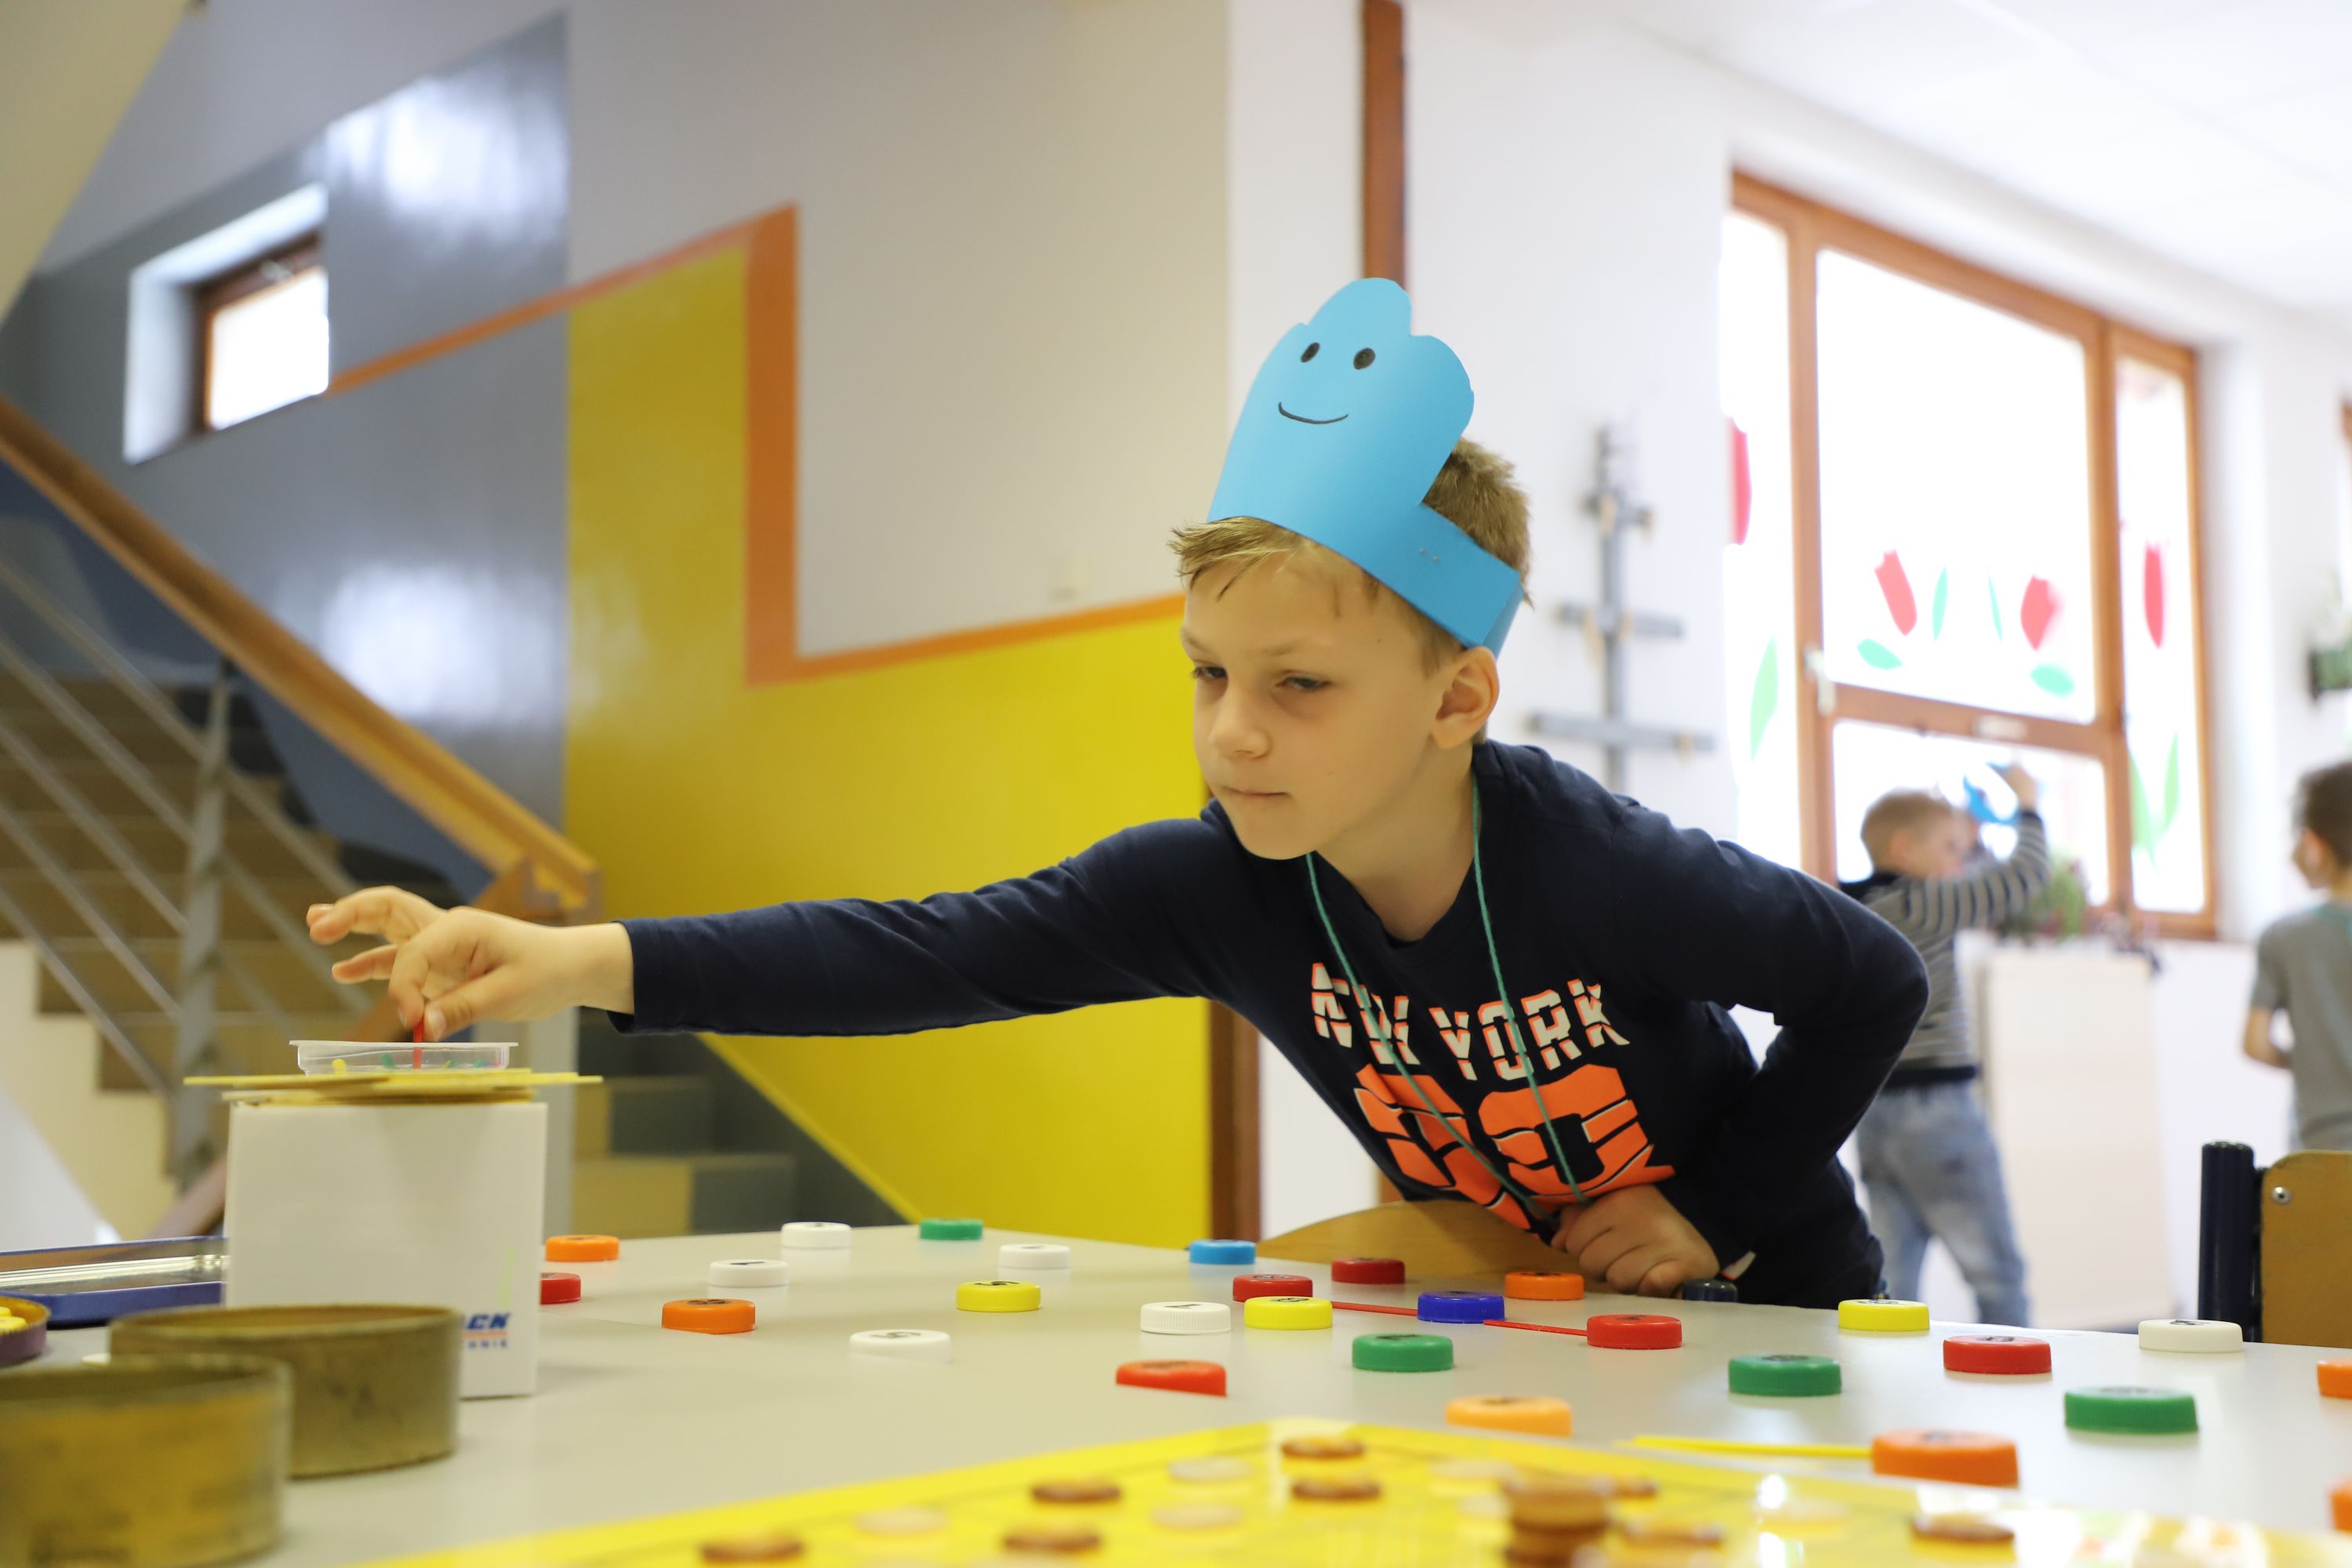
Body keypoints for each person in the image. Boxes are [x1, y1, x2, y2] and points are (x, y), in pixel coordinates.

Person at [306, 279, 1926, 1307]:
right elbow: (926, 950)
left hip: (1783, 1305)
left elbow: (1870, 978)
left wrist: (1710, 1209)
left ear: (1457, 700)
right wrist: (576, 961)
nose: (1233, 736)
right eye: (1209, 676)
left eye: (1298, 686)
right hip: (1549, 1317)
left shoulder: (1599, 868)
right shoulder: (1220, 886)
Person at [1840, 769, 2046, 1325]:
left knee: (1892, 1279)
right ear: (1905, 848)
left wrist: (1964, 835)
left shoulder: (1855, 909)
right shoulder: (1923, 903)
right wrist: (2028, 806)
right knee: (1997, 1272)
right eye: (1952, 849)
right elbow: (2023, 877)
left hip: (1875, 1112)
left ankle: (1883, 1375)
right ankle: (2011, 1368)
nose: (1962, 862)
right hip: (1936, 1110)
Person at [2244, 760, 2352, 1152]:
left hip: (2321, 1156)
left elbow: (2256, 1043)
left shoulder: (2284, 937)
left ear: (2313, 845)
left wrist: (2313, 1062)